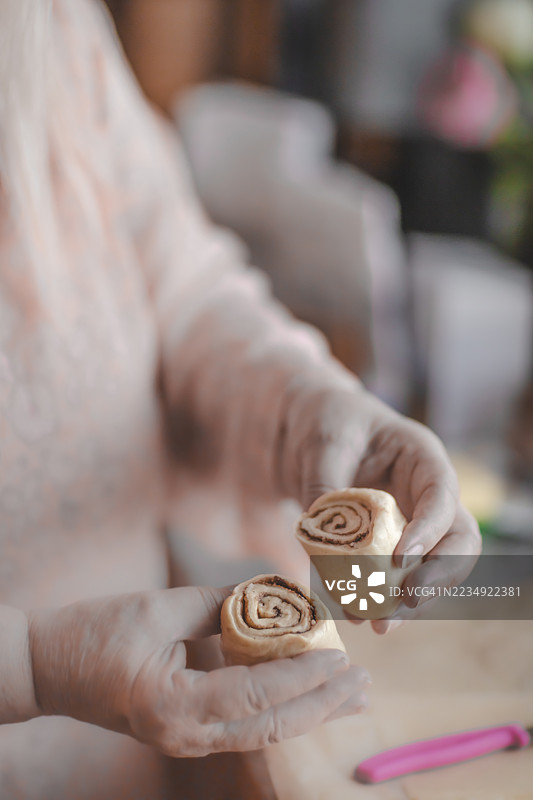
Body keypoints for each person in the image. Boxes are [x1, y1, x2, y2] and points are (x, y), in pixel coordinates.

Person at [0, 0, 481, 797]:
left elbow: (181, 287)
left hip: (118, 767)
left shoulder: (49, 23)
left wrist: (306, 413)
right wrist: (32, 666)